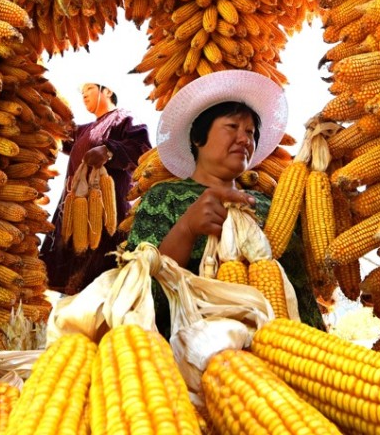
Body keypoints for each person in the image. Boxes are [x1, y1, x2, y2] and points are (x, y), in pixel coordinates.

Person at [126, 70, 325, 335]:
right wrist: (186, 229)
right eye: (232, 127)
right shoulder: (165, 198)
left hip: (294, 352)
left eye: (251, 133)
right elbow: (135, 297)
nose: (245, 139)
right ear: (198, 138)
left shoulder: (269, 205)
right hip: (206, 358)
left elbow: (303, 288)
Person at [40, 81, 151, 294]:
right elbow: (60, 135)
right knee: (69, 286)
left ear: (107, 90)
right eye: (81, 92)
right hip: (74, 215)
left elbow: (141, 150)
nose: (83, 95)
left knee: (103, 283)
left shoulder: (125, 118)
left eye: (89, 89)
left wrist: (109, 151)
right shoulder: (83, 130)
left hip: (109, 214)